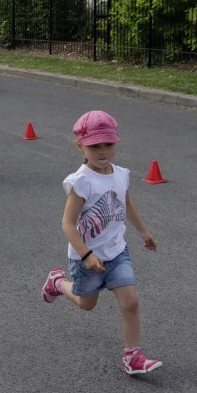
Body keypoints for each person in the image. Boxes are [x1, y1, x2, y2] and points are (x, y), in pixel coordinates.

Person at [41, 110, 163, 376]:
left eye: (108, 143)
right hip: (88, 259)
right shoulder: (81, 182)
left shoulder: (120, 174)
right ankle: (58, 283)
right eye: (94, 145)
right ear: (80, 145)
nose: (102, 150)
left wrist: (143, 231)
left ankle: (133, 356)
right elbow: (67, 224)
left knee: (130, 302)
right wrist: (86, 255)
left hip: (118, 252)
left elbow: (126, 202)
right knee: (87, 305)